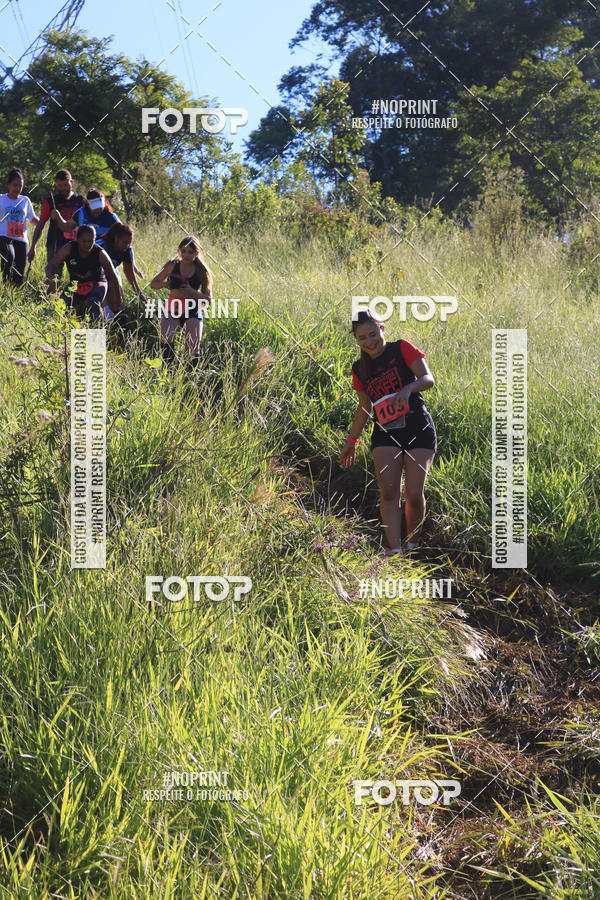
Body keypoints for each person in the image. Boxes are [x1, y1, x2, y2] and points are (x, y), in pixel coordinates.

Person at [340, 308, 437, 556]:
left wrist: (408, 389)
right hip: (385, 433)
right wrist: (352, 440)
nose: (370, 342)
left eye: (373, 334)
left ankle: (413, 545)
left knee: (414, 493)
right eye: (363, 338)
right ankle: (394, 550)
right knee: (389, 492)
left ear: (382, 329)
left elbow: (428, 378)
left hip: (418, 427)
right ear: (357, 340)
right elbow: (364, 407)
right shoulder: (358, 368)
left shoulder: (401, 348)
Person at [149, 236, 212, 367]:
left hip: (193, 309)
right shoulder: (172, 265)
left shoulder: (202, 271)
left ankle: (191, 377)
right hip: (173, 307)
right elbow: (153, 283)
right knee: (165, 336)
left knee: (193, 348)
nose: (186, 255)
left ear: (197, 253)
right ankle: (170, 369)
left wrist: (191, 291)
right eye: (183, 251)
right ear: (179, 251)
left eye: (190, 252)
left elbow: (208, 299)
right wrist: (165, 284)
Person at [46, 224, 121, 321]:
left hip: (97, 282)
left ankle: (98, 334)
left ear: (95, 239)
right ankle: (65, 333)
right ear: (77, 240)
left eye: (91, 241)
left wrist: (118, 298)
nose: (87, 244)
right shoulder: (69, 249)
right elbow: (50, 266)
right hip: (76, 284)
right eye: (84, 241)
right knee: (62, 304)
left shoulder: (100, 253)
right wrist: (50, 279)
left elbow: (113, 276)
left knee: (93, 304)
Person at [27, 169, 84, 274]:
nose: (63, 188)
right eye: (60, 185)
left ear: (72, 182)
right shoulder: (50, 201)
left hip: (77, 244)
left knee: (79, 276)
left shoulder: (81, 201)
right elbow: (40, 225)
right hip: (55, 245)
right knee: (53, 278)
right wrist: (33, 246)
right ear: (56, 185)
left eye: (66, 185)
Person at [97, 223, 147, 319]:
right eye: (124, 242)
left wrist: (138, 292)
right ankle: (103, 323)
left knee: (119, 301)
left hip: (111, 272)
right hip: (94, 272)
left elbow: (129, 273)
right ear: (116, 238)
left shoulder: (127, 251)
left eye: (129, 242)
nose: (127, 245)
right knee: (104, 297)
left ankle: (117, 326)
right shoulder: (101, 246)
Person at [0, 167, 39, 285]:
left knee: (19, 272)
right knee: (9, 258)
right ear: (8, 185)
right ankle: (5, 288)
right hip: (4, 236)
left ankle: (16, 295)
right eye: (14, 185)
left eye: (20, 186)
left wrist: (44, 220)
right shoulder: (1, 199)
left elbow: (32, 220)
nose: (17, 188)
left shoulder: (25, 200)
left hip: (21, 240)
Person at [50, 188, 119, 241]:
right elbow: (67, 227)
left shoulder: (111, 216)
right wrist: (58, 216)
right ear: (88, 205)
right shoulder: (81, 213)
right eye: (95, 207)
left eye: (100, 207)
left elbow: (122, 233)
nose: (98, 210)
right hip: (85, 250)